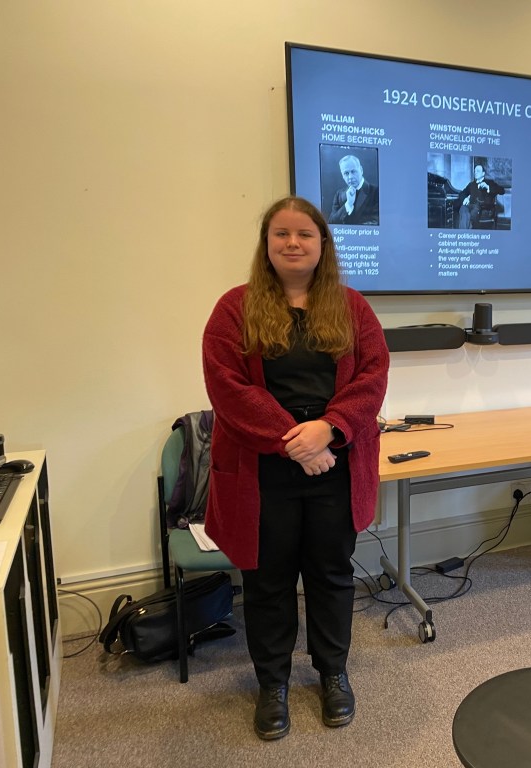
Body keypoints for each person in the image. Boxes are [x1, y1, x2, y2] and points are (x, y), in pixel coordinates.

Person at [202, 196, 389, 741]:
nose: (292, 243)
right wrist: (296, 441)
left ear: (322, 244)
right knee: (267, 581)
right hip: (265, 469)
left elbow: (373, 378)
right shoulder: (234, 309)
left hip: (336, 458)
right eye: (281, 234)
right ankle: (273, 684)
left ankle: (333, 673)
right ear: (266, 244)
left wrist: (328, 430)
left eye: (304, 234)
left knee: (332, 575)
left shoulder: (352, 307)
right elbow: (227, 387)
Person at [328, 155, 380, 225]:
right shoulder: (339, 194)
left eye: (353, 171)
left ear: (361, 170)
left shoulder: (376, 192)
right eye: (346, 173)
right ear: (342, 176)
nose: (350, 177)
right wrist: (348, 204)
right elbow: (331, 222)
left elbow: (375, 222)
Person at [457, 163, 505, 229]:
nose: (475, 173)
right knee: (463, 208)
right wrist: (465, 198)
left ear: (483, 173)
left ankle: (465, 232)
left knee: (470, 213)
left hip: (484, 208)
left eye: (478, 171)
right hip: (471, 206)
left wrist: (488, 187)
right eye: (475, 171)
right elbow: (462, 193)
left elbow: (502, 190)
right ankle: (465, 232)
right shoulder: (471, 184)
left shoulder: (490, 183)